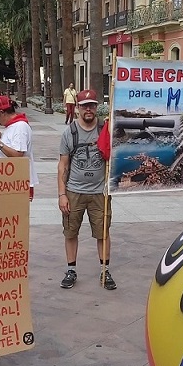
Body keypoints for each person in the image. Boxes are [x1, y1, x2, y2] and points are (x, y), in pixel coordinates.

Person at [58, 89, 115, 291]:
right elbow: (63, 166)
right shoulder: (70, 133)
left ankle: (105, 269)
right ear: (78, 109)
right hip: (74, 190)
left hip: (100, 191)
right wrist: (62, 194)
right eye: (84, 106)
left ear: (96, 107)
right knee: (70, 231)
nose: (88, 109)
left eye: (92, 105)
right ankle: (71, 269)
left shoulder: (106, 129)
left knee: (103, 232)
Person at [0, 95, 38, 201]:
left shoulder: (20, 126)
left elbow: (18, 154)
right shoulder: (12, 126)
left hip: (18, 182)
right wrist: (1, 137)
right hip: (10, 181)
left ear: (2, 112)